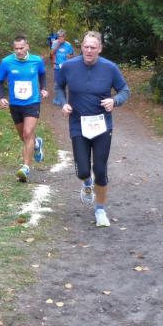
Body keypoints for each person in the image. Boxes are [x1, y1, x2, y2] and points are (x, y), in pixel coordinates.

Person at [55, 31, 130, 227]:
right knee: (82, 170)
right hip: (78, 123)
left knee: (100, 170)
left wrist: (114, 100)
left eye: (93, 47)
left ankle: (100, 210)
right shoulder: (69, 66)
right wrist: (63, 103)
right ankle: (87, 183)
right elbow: (59, 87)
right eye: (86, 47)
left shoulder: (109, 68)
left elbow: (124, 90)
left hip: (102, 125)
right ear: (81, 47)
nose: (89, 51)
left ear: (100, 49)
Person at [0, 35, 48, 182]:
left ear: (27, 47)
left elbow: (42, 74)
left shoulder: (36, 61)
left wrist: (43, 88)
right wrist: (1, 97)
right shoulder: (6, 62)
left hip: (32, 102)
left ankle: (25, 168)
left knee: (27, 132)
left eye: (21, 48)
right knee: (24, 137)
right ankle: (36, 143)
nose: (18, 51)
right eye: (16, 48)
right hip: (15, 104)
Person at [50, 30, 75, 105]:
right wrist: (58, 45)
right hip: (57, 66)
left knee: (64, 83)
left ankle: (64, 99)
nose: (60, 38)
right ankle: (57, 99)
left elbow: (72, 55)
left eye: (62, 36)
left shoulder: (68, 45)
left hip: (66, 66)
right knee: (57, 83)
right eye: (59, 37)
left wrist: (69, 56)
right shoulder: (55, 43)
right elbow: (51, 53)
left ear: (64, 37)